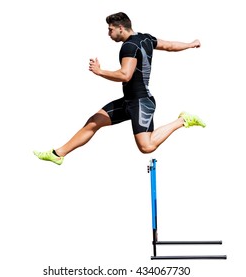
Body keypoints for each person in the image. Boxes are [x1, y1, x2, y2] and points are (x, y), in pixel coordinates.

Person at [33, 12, 205, 165]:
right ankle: (58, 154)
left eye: (110, 30)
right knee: (94, 121)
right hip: (129, 101)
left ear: (120, 28)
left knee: (147, 146)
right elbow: (169, 46)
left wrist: (100, 72)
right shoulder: (146, 38)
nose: (109, 34)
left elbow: (125, 75)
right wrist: (190, 44)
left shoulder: (129, 46)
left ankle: (182, 120)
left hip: (141, 103)